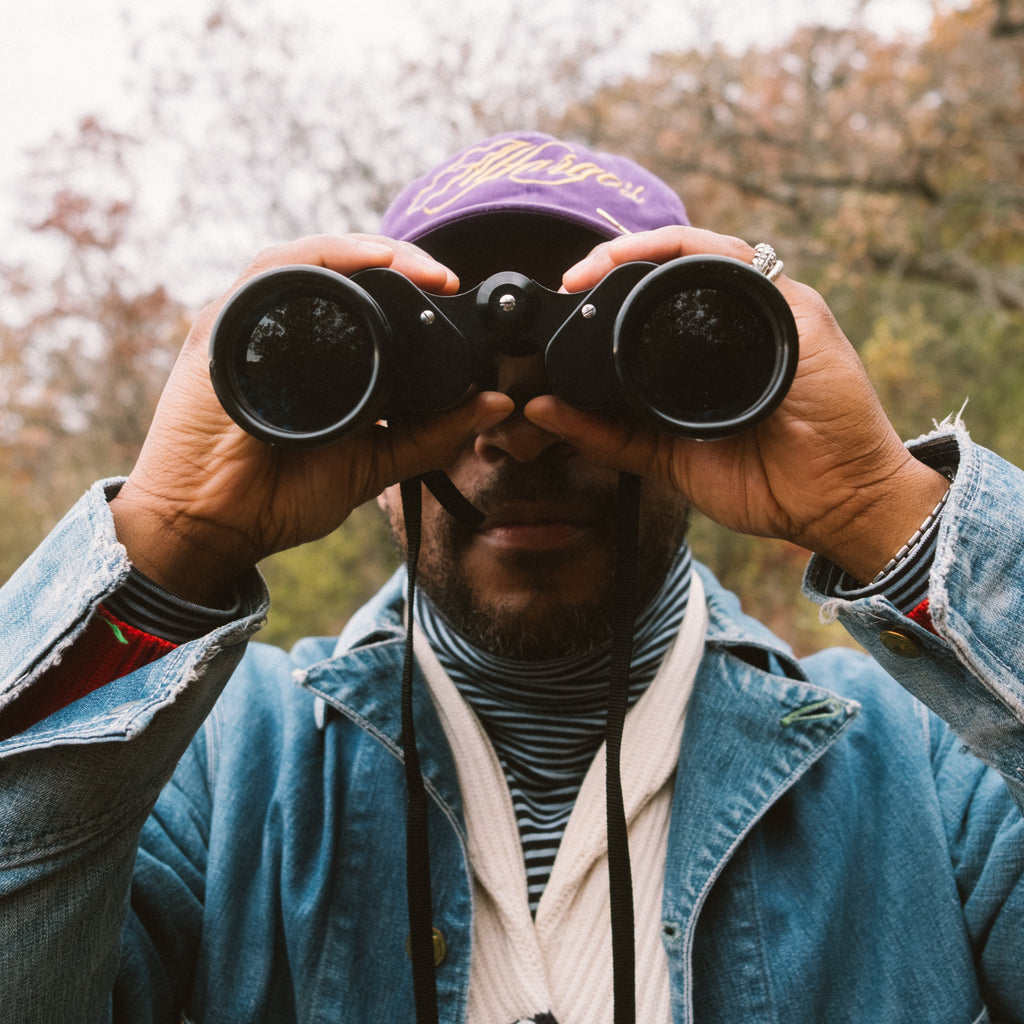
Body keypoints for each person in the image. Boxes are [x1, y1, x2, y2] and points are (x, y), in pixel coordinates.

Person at [0, 130, 1022, 1024]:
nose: (522, 444)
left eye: (596, 383)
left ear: (698, 404)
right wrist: (164, 542)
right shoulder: (222, 765)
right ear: (374, 425)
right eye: (457, 388)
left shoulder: (926, 762)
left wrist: (877, 504)